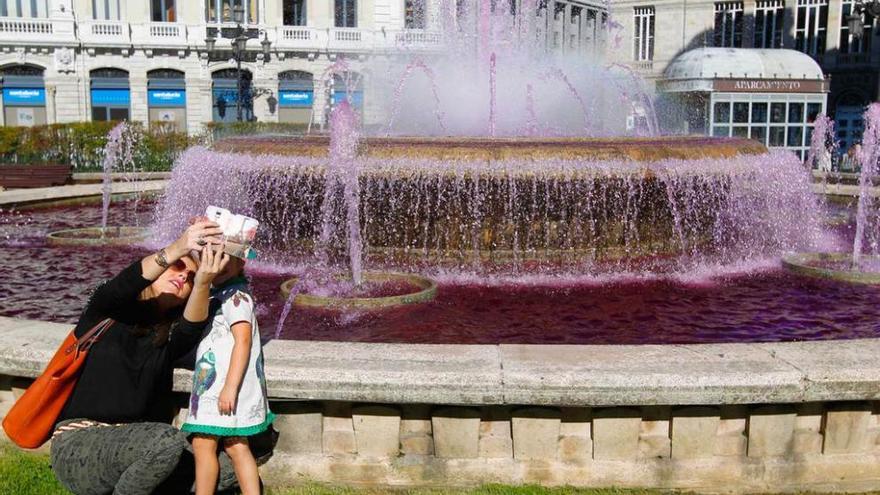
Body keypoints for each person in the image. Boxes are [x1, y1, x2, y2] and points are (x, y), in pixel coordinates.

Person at [50, 221, 240, 495]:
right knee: (165, 441)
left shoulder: (168, 339)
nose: (182, 277)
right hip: (82, 443)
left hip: (142, 446)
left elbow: (192, 326)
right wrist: (179, 247)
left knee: (227, 468)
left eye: (189, 277)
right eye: (178, 267)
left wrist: (203, 282)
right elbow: (126, 283)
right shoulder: (107, 312)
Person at [181, 251, 273, 495]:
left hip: (224, 386)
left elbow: (243, 341)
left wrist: (230, 387)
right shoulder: (222, 292)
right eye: (212, 256)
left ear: (241, 262)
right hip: (217, 384)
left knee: (208, 443)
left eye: (226, 257)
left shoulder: (236, 297)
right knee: (233, 444)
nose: (218, 263)